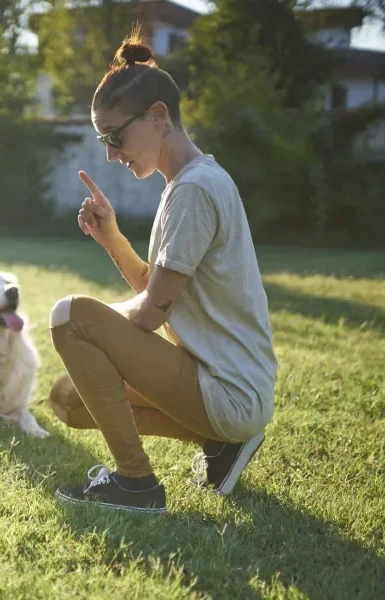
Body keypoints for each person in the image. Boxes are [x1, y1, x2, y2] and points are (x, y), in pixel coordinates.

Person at [48, 32, 279, 513]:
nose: (111, 153)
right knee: (69, 399)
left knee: (70, 316)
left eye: (114, 136)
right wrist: (111, 236)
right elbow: (158, 292)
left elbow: (152, 313)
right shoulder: (184, 185)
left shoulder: (195, 189)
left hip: (228, 391)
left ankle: (135, 485)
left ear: (158, 115)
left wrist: (96, 325)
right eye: (102, 140)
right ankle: (222, 446)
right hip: (215, 383)